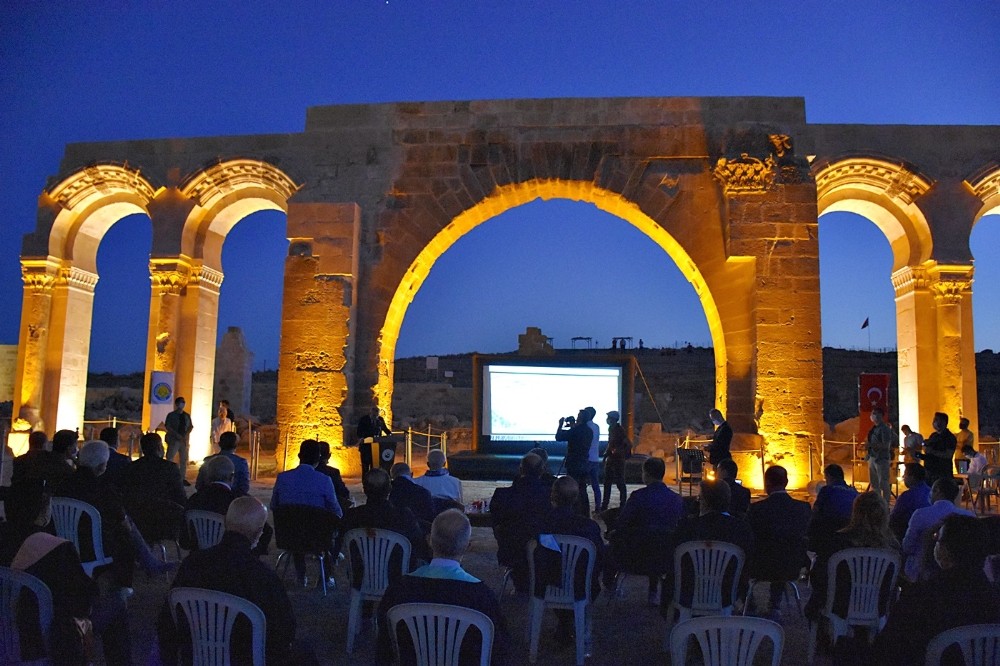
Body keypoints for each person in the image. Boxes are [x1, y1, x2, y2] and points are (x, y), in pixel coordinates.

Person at [159, 497, 316, 666]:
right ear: (259, 533)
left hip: (196, 657)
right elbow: (284, 632)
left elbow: (167, 621)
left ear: (225, 522)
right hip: (246, 659)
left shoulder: (191, 565)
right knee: (305, 651)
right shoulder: (263, 577)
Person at [8, 492, 132, 665]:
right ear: (44, 513)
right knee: (118, 600)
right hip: (43, 634)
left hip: (7, 632)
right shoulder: (56, 548)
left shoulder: (6, 541)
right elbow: (82, 600)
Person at [376, 510, 509, 665]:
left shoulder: (398, 589)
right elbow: (498, 649)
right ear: (467, 546)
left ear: (429, 541)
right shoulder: (483, 597)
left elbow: (384, 645)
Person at [872, 515, 1000, 665]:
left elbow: (885, 650)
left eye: (937, 539)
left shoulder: (920, 598)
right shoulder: (992, 598)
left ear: (944, 551)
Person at [55, 440, 174, 592]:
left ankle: (149, 563)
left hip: (64, 542)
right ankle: (124, 588)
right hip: (94, 547)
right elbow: (122, 523)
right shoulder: (103, 490)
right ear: (102, 466)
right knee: (125, 533)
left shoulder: (63, 484)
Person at [804, 491, 899, 623]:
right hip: (877, 608)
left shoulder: (837, 542)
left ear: (855, 513)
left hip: (839, 608)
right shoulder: (892, 548)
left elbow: (818, 576)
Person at [666, 480, 754, 617]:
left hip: (688, 594)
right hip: (726, 596)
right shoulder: (741, 529)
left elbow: (672, 562)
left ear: (704, 502)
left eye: (699, 499)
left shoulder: (686, 528)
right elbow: (748, 564)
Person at [604, 456, 684, 605]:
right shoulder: (677, 499)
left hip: (636, 555)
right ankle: (653, 591)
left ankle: (609, 587)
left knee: (608, 548)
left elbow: (622, 523)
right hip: (665, 556)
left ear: (646, 474)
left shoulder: (638, 497)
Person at [533, 476, 604, 645]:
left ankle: (564, 622)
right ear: (576, 498)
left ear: (552, 496)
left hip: (548, 584)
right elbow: (599, 557)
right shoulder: (589, 527)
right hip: (581, 586)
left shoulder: (540, 524)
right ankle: (570, 621)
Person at [271, 439, 342, 585]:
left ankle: (301, 575)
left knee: (296, 521)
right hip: (317, 538)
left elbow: (274, 505)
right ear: (318, 459)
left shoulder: (282, 478)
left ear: (299, 456)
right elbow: (336, 511)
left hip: (288, 536)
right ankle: (326, 576)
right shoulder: (324, 480)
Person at [335, 468, 431, 572]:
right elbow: (418, 544)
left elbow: (339, 545)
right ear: (389, 488)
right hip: (397, 575)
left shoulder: (351, 516)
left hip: (360, 576)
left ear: (364, 489)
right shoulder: (403, 516)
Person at [746, 465, 812, 615]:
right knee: (783, 549)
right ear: (786, 482)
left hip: (761, 566)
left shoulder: (757, 509)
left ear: (766, 483)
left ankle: (749, 606)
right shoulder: (803, 508)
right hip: (792, 566)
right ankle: (774, 604)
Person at [490, 453, 552, 592]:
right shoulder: (549, 496)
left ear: (520, 469)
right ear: (542, 470)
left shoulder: (501, 495)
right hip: (542, 553)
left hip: (511, 552)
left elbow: (496, 525)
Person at [120, 432, 188, 546]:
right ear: (159, 448)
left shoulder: (131, 467)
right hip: (164, 522)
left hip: (138, 520)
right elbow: (180, 497)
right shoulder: (170, 468)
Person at [901, 477, 973, 582]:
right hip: (959, 573)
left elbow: (907, 546)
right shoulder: (968, 516)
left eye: (932, 490)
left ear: (937, 491)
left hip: (920, 572)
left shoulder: (920, 514)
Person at [808, 464, 859, 553]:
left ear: (829, 476)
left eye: (826, 478)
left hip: (829, 532)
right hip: (850, 533)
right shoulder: (854, 492)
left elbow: (816, 510)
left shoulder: (827, 490)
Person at [555, 408, 596, 515]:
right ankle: (585, 513)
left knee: (572, 488)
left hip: (574, 463)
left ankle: (574, 512)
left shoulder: (575, 431)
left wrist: (560, 425)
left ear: (580, 418)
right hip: (584, 462)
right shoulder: (589, 431)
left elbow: (559, 437)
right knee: (582, 489)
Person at [888, 463, 931, 543]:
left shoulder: (907, 496)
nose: (903, 477)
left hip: (909, 536)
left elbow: (894, 518)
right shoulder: (931, 492)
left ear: (912, 477)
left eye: (905, 475)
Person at [198, 430, 250, 496]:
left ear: (219, 444)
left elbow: (199, 485)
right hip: (232, 498)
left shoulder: (208, 460)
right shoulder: (241, 462)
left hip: (207, 497)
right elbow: (244, 487)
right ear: (235, 445)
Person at [389, 462, 436, 527]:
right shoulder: (423, 492)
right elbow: (430, 518)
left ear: (391, 476)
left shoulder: (386, 492)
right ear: (411, 474)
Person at [917, 411, 956, 487]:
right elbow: (929, 453)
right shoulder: (933, 436)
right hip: (930, 472)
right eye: (934, 420)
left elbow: (948, 455)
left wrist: (932, 451)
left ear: (943, 422)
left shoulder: (949, 437)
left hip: (941, 473)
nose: (934, 423)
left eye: (936, 420)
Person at [601, 410, 630, 511]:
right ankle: (604, 505)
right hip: (611, 459)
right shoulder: (611, 428)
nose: (607, 419)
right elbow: (610, 444)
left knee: (620, 482)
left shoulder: (620, 430)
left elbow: (627, 444)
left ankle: (623, 504)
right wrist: (606, 455)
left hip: (618, 460)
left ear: (613, 419)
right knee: (607, 483)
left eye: (609, 417)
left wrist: (619, 451)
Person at [865, 407, 895, 505]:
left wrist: (872, 445)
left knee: (883, 482)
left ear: (881, 415)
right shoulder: (873, 428)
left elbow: (886, 445)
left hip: (881, 459)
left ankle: (885, 503)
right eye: (873, 413)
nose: (873, 416)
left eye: (876, 413)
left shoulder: (884, 429)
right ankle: (877, 502)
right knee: (874, 483)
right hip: (872, 457)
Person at [164, 396, 193, 485]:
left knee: (183, 460)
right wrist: (176, 435)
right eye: (181, 402)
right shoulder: (171, 415)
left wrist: (186, 434)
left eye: (183, 402)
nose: (182, 404)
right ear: (177, 404)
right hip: (174, 440)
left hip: (184, 440)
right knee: (170, 458)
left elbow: (190, 426)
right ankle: (168, 477)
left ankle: (182, 478)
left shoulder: (186, 415)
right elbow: (168, 426)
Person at [356, 406, 392, 476]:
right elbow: (359, 432)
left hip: (376, 447)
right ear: (371, 412)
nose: (375, 416)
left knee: (375, 466)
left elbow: (385, 429)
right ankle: (365, 481)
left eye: (377, 414)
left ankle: (374, 479)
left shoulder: (380, 420)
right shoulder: (364, 419)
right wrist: (362, 438)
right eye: (374, 414)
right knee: (365, 467)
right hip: (366, 447)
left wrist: (390, 435)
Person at [584, 406, 602, 513]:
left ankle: (582, 506)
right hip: (595, 458)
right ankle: (598, 507)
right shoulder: (597, 427)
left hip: (586, 458)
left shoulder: (584, 427)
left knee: (581, 484)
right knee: (595, 485)